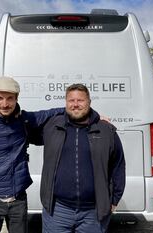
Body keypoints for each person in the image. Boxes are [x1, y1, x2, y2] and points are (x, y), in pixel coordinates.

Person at [0, 76, 64, 233]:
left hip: (18, 199)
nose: (5, 104)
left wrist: (91, 116)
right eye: (0, 98)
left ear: (16, 99)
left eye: (10, 98)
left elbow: (53, 112)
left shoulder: (24, 120)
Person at [40, 83, 126, 233]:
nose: (75, 104)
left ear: (89, 102)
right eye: (71, 100)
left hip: (93, 212)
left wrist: (114, 199)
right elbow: (24, 123)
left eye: (80, 100)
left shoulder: (106, 130)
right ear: (65, 103)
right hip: (58, 210)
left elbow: (118, 166)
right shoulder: (51, 126)